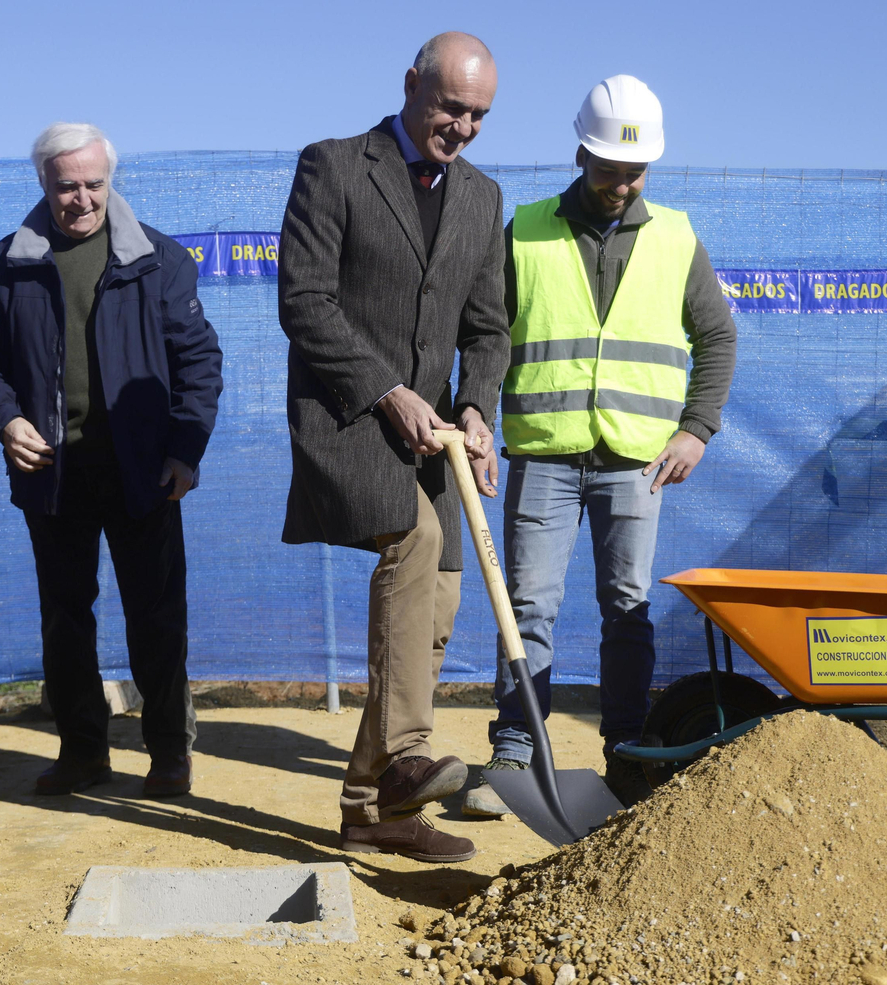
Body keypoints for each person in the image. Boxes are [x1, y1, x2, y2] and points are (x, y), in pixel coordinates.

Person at [462, 75, 737, 816]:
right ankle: (515, 749)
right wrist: (476, 415)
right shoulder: (524, 231)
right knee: (526, 607)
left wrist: (696, 428)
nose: (623, 184)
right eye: (611, 169)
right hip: (542, 455)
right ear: (581, 154)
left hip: (636, 461)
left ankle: (625, 751)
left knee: (628, 606)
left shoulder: (675, 237)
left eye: (636, 171)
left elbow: (717, 336)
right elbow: (487, 335)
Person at [279, 33, 510, 863]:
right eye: (451, 107)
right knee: (417, 540)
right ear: (411, 84)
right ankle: (408, 755)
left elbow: (488, 329)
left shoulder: (482, 197)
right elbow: (304, 302)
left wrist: (475, 407)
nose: (464, 127)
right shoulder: (335, 166)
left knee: (436, 600)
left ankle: (370, 805)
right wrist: (388, 390)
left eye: (479, 115)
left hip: (432, 434)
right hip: (348, 416)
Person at [0, 123, 222, 799]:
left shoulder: (160, 259)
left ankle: (169, 752)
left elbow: (198, 361)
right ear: (43, 183)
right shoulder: (6, 264)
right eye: (67, 186)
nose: (81, 199)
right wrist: (7, 420)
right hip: (52, 476)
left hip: (145, 473)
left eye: (94, 184)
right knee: (65, 618)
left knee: (157, 617)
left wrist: (185, 451)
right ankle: (82, 752)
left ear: (111, 180)